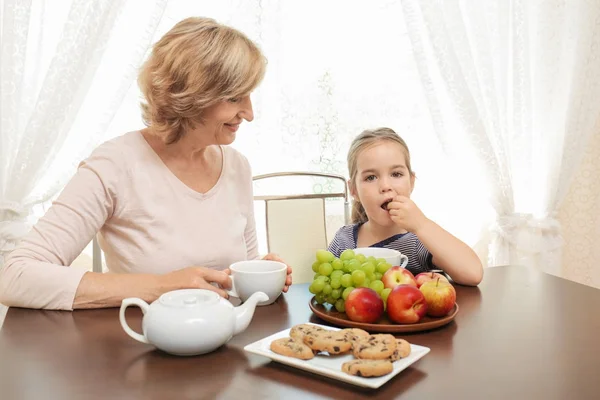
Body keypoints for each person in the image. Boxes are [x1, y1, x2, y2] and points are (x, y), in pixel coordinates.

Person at [0, 17, 292, 310]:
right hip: (141, 343)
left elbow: (236, 271)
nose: (250, 113)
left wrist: (261, 270)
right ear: (190, 96)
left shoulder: (237, 166)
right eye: (233, 98)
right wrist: (160, 287)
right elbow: (15, 277)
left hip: (222, 341)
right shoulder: (115, 165)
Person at [328, 128, 483, 286]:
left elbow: (473, 273)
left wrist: (422, 224)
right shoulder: (344, 241)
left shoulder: (418, 242)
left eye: (396, 174)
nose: (385, 186)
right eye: (371, 177)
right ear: (354, 190)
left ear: (412, 182)